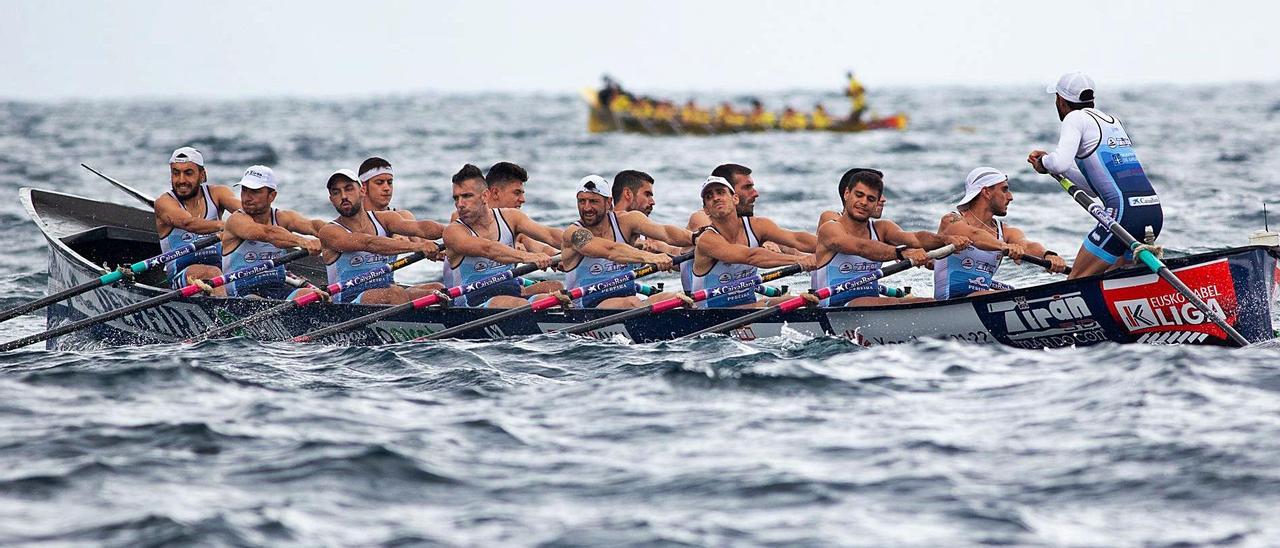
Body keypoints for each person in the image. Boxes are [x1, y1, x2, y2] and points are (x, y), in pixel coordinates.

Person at [1028, 71, 1162, 279]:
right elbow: (1093, 188)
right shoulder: (1112, 121)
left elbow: (1060, 162)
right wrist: (1057, 168)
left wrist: (1044, 162)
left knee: (1076, 280)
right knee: (1113, 279)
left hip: (1124, 215)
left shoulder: (1074, 118)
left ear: (1060, 100)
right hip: (1151, 211)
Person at [812, 169, 970, 306]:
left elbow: (915, 238)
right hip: (836, 306)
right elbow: (860, 247)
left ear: (876, 204)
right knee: (899, 303)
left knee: (927, 302)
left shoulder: (882, 228)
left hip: (870, 304)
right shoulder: (830, 228)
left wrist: (945, 240)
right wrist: (901, 253)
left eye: (871, 199)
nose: (863, 202)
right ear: (847, 194)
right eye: (859, 195)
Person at [933, 167, 1067, 299]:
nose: (1010, 197)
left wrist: (1048, 255)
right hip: (950, 301)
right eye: (1004, 190)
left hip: (982, 297)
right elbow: (974, 235)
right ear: (986, 192)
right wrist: (1004, 246)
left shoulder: (1007, 231)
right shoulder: (952, 220)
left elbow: (1025, 245)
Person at [561, 175, 693, 308]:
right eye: (582, 201)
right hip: (587, 308)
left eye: (593, 201)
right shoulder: (574, 234)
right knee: (632, 302)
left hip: (628, 303)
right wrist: (652, 257)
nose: (587, 208)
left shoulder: (627, 221)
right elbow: (611, 251)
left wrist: (695, 238)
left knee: (677, 298)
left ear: (608, 202)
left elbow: (665, 232)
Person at [442, 164, 562, 308]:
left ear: (485, 195)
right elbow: (488, 249)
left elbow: (549, 235)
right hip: (472, 305)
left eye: (467, 196)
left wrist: (582, 248)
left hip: (512, 295)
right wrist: (527, 257)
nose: (460, 204)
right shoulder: (453, 231)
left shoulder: (511, 217)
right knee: (515, 304)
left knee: (553, 297)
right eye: (456, 198)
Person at [318, 169, 443, 305]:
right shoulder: (329, 232)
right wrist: (419, 246)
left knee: (438, 289)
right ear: (331, 199)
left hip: (386, 291)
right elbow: (369, 243)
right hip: (348, 302)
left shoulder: (384, 219)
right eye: (336, 193)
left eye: (349, 189)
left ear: (362, 191)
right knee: (395, 293)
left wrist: (452, 233)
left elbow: (420, 228)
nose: (343, 196)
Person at [691, 176, 818, 308]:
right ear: (706, 210)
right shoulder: (707, 240)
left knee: (803, 302)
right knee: (763, 306)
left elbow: (796, 239)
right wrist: (799, 260)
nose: (716, 198)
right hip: (710, 313)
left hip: (749, 306)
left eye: (720, 192)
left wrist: (826, 247)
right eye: (709, 196)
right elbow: (750, 257)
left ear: (735, 199)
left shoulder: (758, 226)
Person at [221, 166, 326, 300]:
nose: (247, 197)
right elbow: (268, 233)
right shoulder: (236, 220)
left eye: (255, 191)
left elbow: (313, 225)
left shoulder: (283, 217)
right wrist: (303, 241)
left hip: (278, 289)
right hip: (242, 294)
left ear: (272, 195)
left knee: (310, 296)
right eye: (244, 190)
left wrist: (333, 235)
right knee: (254, 301)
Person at [155, 146, 241, 295]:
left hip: (220, 271)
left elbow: (248, 213)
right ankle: (228, 316)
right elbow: (189, 223)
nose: (181, 180)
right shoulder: (164, 203)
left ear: (202, 175)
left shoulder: (218, 194)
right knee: (212, 273)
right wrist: (226, 226)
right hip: (181, 274)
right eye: (176, 173)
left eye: (188, 173)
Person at [480, 161, 564, 296]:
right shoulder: (468, 220)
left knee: (555, 286)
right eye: (517, 193)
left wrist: (559, 256)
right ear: (495, 193)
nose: (523, 199)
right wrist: (522, 255)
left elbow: (547, 240)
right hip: (472, 295)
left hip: (506, 288)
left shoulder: (514, 223)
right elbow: (488, 248)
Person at [358, 157, 415, 221]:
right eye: (379, 183)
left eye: (389, 182)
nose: (387, 188)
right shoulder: (350, 221)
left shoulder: (404, 218)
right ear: (363, 187)